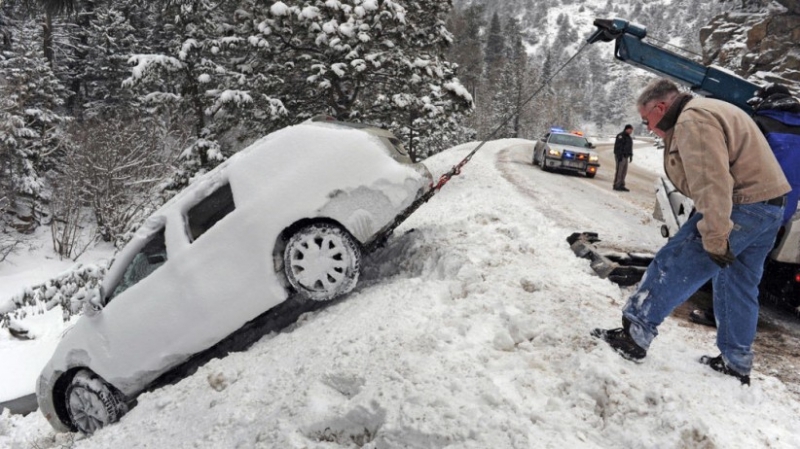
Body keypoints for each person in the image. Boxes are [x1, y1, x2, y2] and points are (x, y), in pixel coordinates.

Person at [591, 79, 790, 385]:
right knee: (737, 282)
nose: (648, 127)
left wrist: (714, 234)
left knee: (674, 262)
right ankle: (736, 362)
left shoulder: (692, 120)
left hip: (741, 205)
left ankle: (634, 334)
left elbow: (713, 181)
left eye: (647, 120)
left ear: (660, 107)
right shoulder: (711, 109)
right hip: (771, 207)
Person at [688, 83, 800, 328]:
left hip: (748, 202)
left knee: (725, 261)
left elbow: (732, 163)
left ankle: (717, 313)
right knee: (749, 274)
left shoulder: (758, 124)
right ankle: (737, 328)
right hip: (782, 209)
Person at [612, 124, 634, 191]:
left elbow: (629, 147)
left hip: (626, 156)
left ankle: (622, 184)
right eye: (630, 130)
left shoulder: (629, 138)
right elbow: (617, 147)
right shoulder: (620, 136)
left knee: (624, 171)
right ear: (626, 129)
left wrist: (630, 155)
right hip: (620, 156)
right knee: (619, 171)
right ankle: (617, 185)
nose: (631, 131)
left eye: (631, 130)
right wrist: (619, 155)